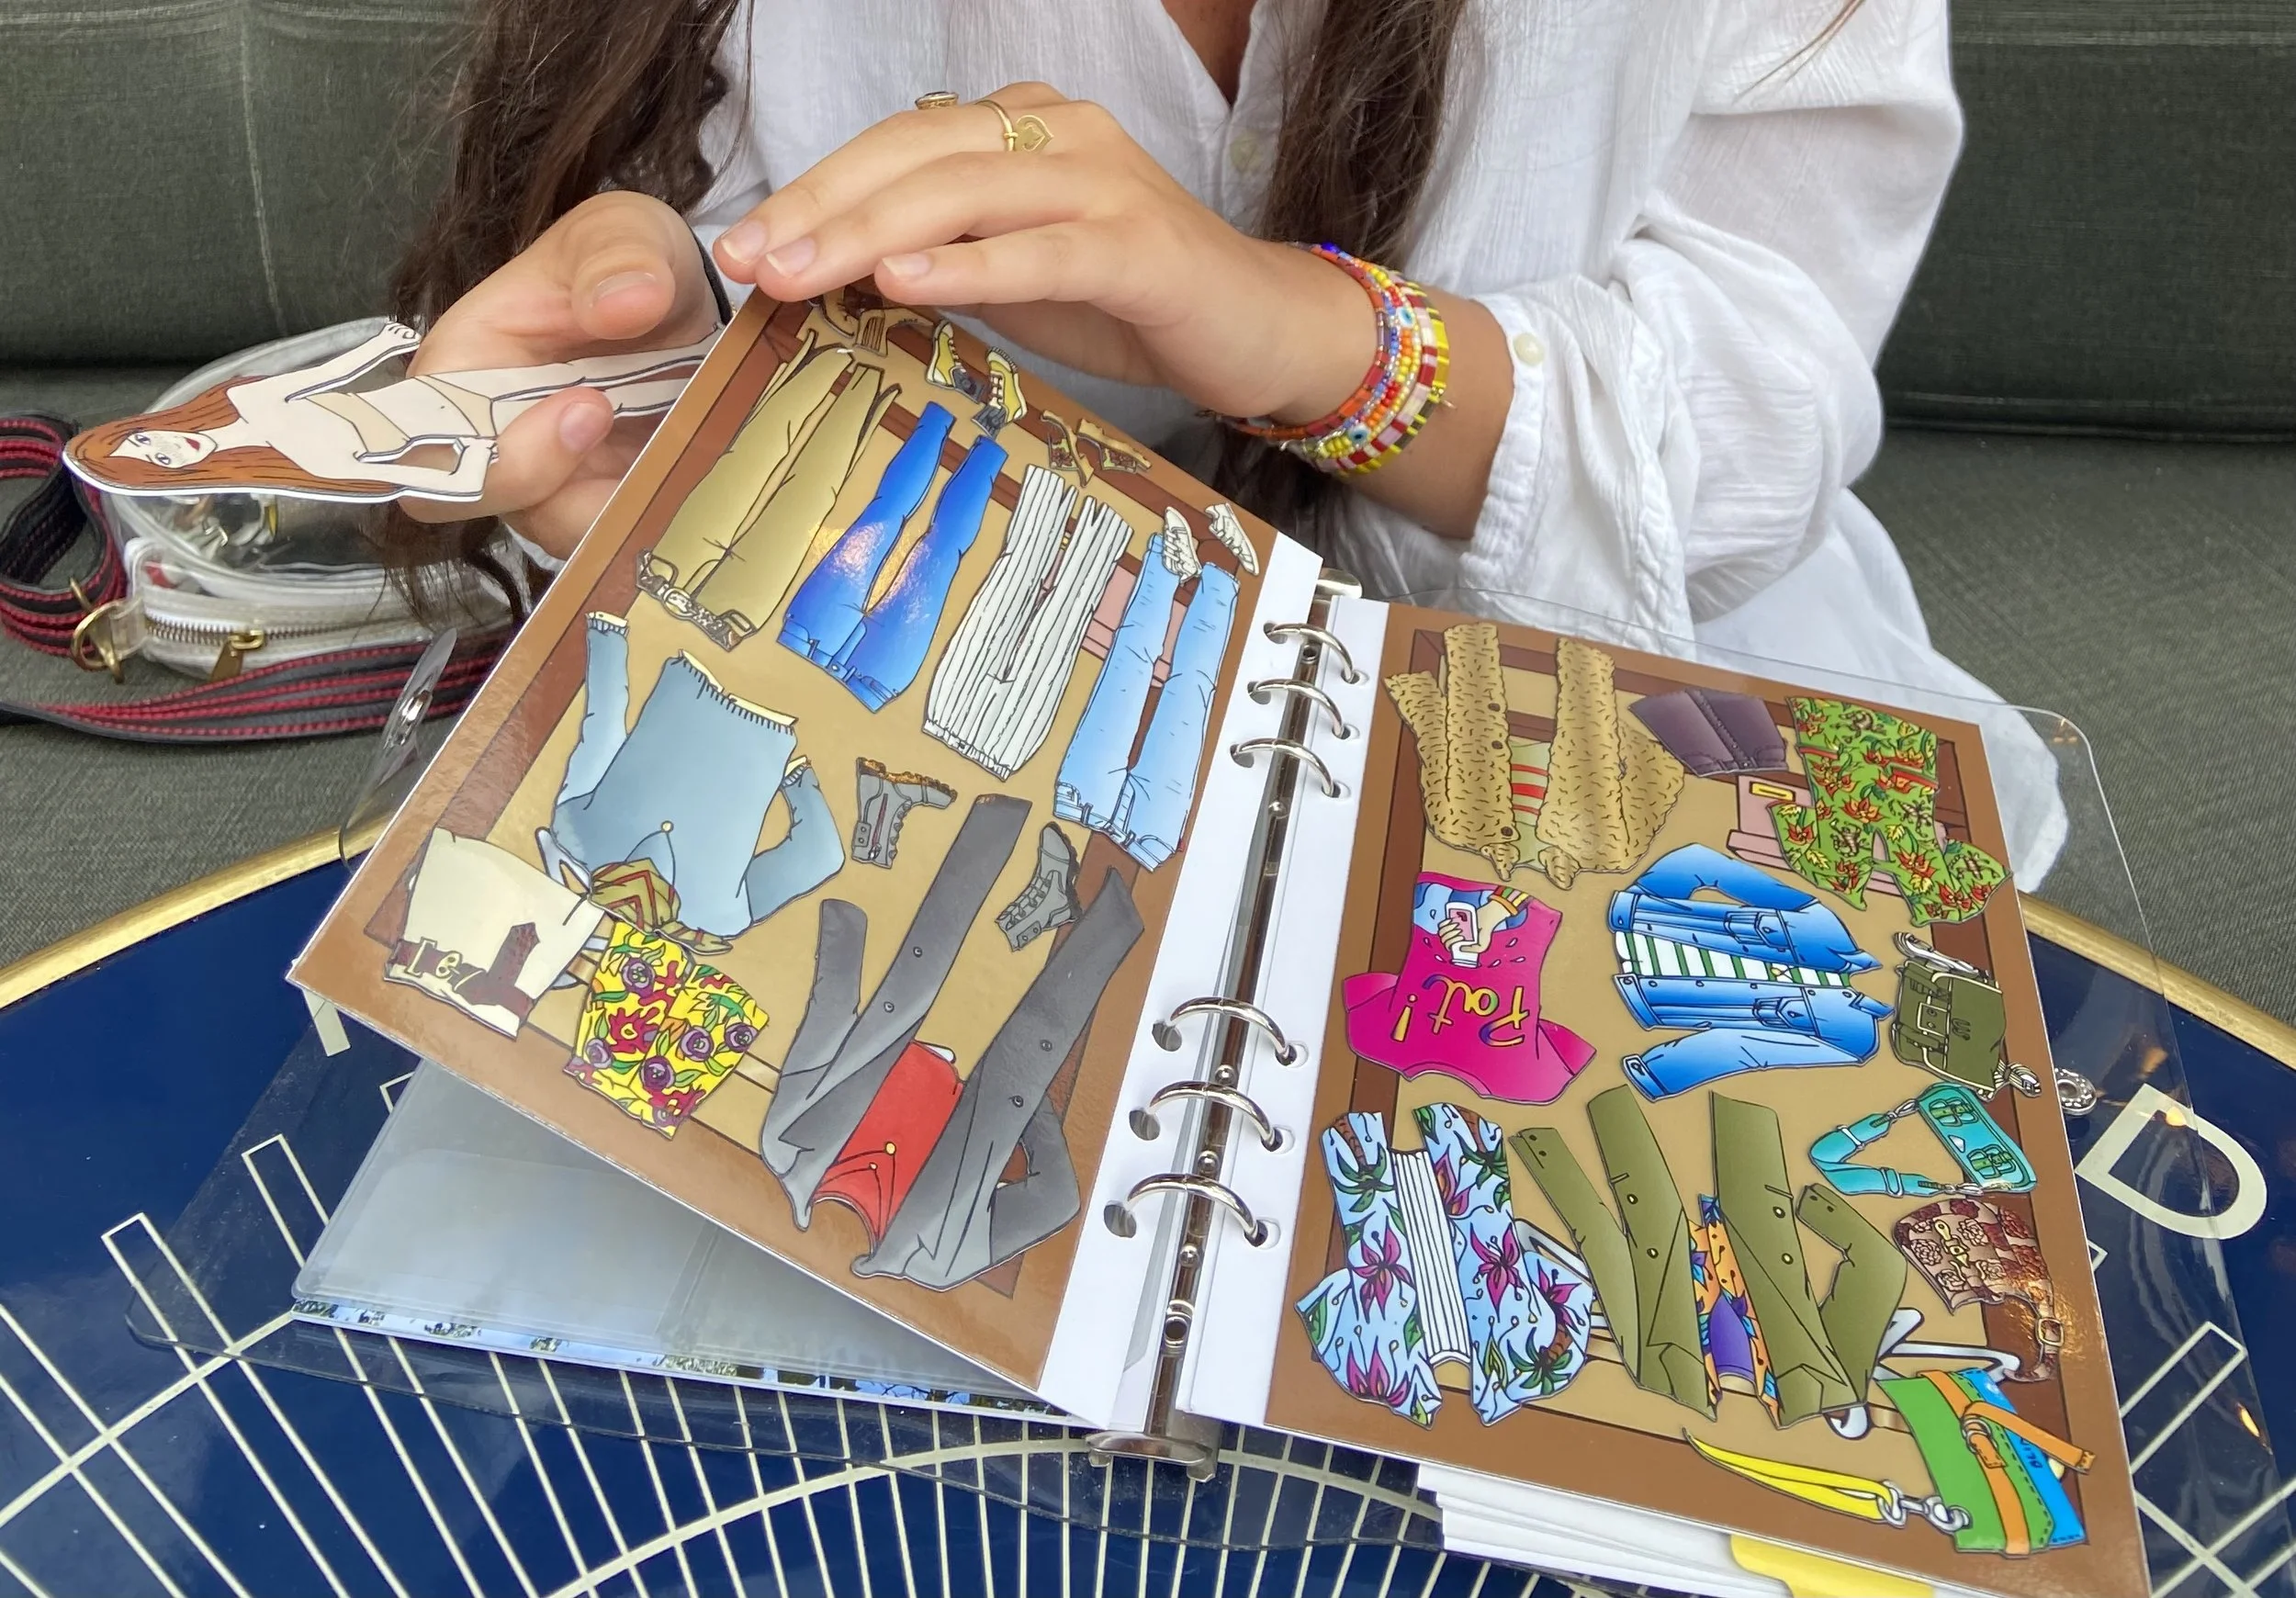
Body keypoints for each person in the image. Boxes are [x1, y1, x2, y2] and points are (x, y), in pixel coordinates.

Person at [388, 0, 2062, 870]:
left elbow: (1767, 391)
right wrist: (685, 414)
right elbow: (728, 295)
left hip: (1614, 735)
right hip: (912, 738)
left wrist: (1314, 343)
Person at [67, 321, 713, 501]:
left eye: (149, 441)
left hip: (449, 387)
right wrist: (476, 463)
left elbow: (323, 373)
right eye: (156, 463)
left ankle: (714, 353)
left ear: (155, 425)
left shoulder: (245, 400)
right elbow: (422, 479)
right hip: (466, 426)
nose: (166, 451)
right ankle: (725, 386)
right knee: (607, 402)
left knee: (587, 373)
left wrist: (379, 345)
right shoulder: (298, 470)